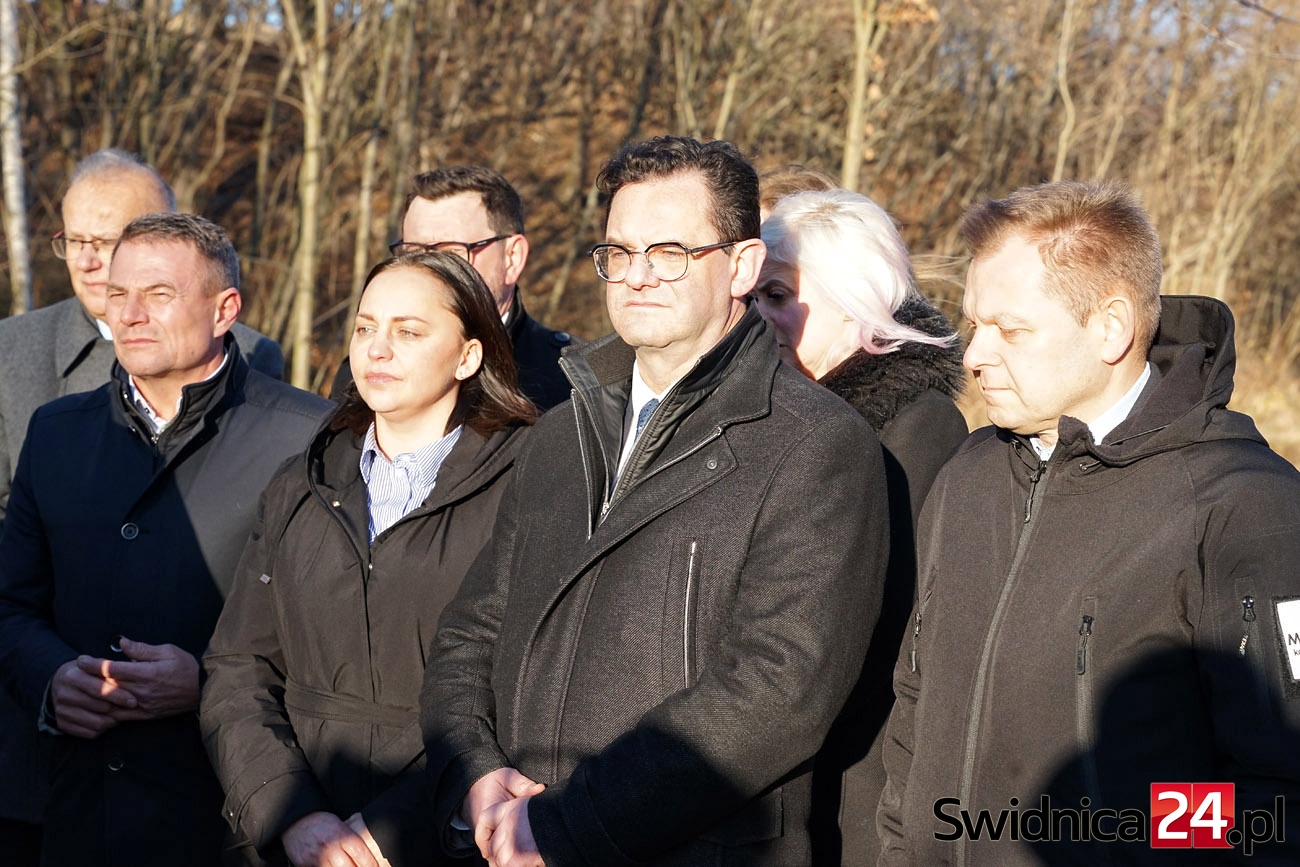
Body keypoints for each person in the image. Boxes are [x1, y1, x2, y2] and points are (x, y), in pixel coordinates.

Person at [420, 135, 889, 867]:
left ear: (742, 266)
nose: (637, 276)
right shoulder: (557, 437)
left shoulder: (815, 444)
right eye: (619, 251)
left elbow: (777, 695)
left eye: (670, 253)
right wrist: (472, 774)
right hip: (505, 839)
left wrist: (567, 825)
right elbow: (468, 634)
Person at [878, 179, 1300, 865]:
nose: (975, 354)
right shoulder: (968, 476)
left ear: (1111, 328)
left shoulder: (1243, 505)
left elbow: (1273, 791)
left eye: (1011, 330)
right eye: (976, 324)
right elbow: (914, 707)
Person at [0, 213, 333, 867]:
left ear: (224, 309)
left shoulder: (308, 437)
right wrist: (50, 677)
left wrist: (207, 682)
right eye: (118, 293)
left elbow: (339, 640)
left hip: (231, 824)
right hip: (80, 817)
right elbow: (11, 604)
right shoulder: (55, 431)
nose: (129, 314)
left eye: (158, 294)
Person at [201, 251, 537, 867]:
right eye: (364, 327)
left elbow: (534, 692)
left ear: (468, 356)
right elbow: (238, 666)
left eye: (408, 332)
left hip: (449, 836)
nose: (377, 349)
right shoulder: (301, 481)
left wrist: (391, 829)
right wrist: (290, 813)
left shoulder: (532, 483)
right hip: (295, 838)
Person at [753, 188, 967, 866]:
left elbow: (886, 634)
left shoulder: (918, 427)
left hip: (856, 791)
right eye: (753, 296)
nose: (758, 316)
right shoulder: (777, 415)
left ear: (854, 304)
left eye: (778, 295)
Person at [332, 166, 572, 410]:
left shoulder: (570, 379)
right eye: (414, 252)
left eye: (451, 253)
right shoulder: (368, 373)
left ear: (512, 258)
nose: (428, 270)